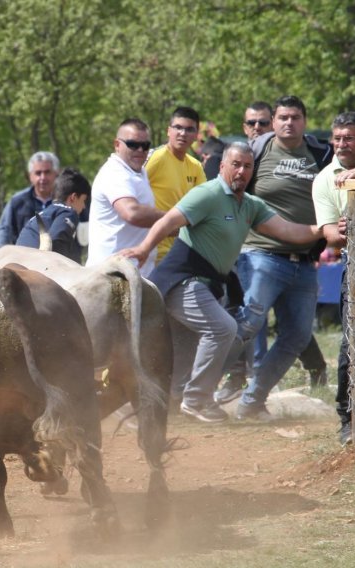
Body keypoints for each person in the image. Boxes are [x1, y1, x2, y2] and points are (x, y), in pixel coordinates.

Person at [120, 142, 322, 423]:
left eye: (247, 166)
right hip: (181, 280)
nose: (241, 171)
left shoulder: (250, 205)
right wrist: (143, 249)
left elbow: (288, 231)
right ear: (223, 165)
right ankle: (196, 401)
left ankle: (165, 408)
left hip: (205, 286)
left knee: (185, 348)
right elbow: (168, 221)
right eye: (236, 164)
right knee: (222, 329)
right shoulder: (208, 193)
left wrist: (322, 230)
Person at [229, 95, 334, 421]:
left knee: (297, 335)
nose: (289, 123)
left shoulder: (320, 153)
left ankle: (251, 401)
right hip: (260, 254)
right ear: (274, 121)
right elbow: (230, 191)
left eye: (296, 117)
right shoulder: (257, 152)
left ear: (304, 120)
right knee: (249, 322)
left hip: (303, 260)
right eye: (283, 117)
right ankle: (197, 391)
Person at [314, 112, 355, 445]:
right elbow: (327, 232)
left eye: (349, 138)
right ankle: (348, 418)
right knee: (352, 345)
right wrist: (339, 231)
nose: (341, 144)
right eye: (337, 138)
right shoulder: (325, 178)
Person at [85, 118, 164, 274]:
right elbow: (132, 213)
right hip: (110, 278)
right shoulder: (115, 173)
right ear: (117, 145)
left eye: (145, 145)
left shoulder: (138, 172)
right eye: (133, 145)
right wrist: (173, 219)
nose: (140, 150)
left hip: (133, 275)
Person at [146, 106, 206, 261]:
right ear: (168, 131)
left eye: (189, 129)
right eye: (178, 127)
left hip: (180, 253)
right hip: (150, 252)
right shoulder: (156, 158)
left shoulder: (195, 166)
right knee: (120, 286)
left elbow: (204, 205)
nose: (183, 133)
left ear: (196, 135)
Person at [15, 167, 90, 263]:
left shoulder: (43, 214)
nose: (84, 207)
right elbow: (56, 242)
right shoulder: (68, 211)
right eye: (84, 200)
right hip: (37, 266)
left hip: (17, 262)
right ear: (73, 197)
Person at [0, 151, 60, 251]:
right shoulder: (17, 201)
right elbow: (4, 231)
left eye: (47, 172)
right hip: (25, 261)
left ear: (56, 174)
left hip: (62, 262)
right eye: (38, 173)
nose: (43, 177)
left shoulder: (66, 200)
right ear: (31, 177)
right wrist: (1, 256)